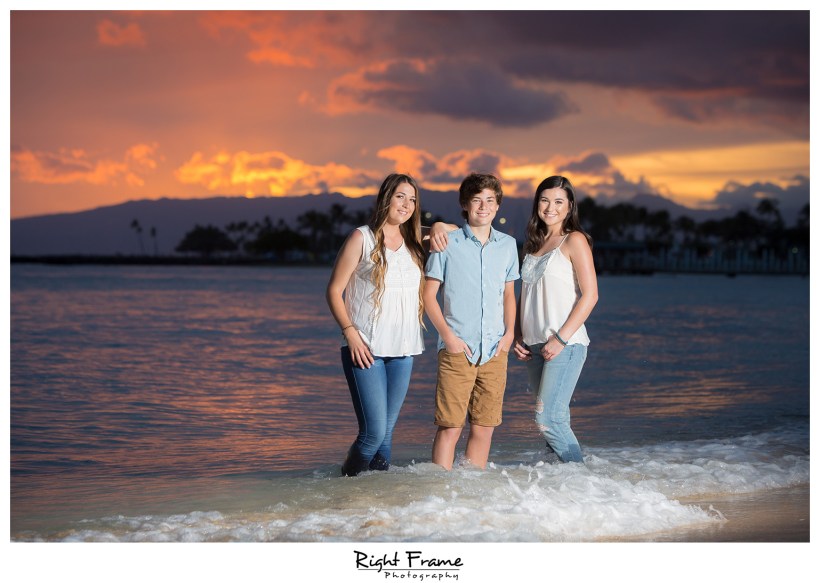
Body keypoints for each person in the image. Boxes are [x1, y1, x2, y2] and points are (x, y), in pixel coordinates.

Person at [326, 173, 427, 476]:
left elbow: (449, 230)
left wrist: (437, 228)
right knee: (372, 436)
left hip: (403, 351)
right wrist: (350, 334)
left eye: (412, 199)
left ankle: (376, 503)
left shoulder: (414, 239)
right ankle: (340, 491)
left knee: (386, 437)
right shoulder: (362, 237)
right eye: (400, 196)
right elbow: (333, 290)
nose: (406, 204)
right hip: (365, 349)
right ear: (386, 197)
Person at [424, 173, 520, 470]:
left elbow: (508, 295)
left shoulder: (508, 245)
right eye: (477, 200)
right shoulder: (447, 242)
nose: (483, 206)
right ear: (465, 204)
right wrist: (448, 338)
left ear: (497, 206)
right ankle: (438, 495)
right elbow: (428, 296)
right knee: (450, 427)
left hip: (494, 350)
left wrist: (509, 336)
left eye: (490, 200)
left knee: (484, 427)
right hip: (457, 349)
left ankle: (471, 496)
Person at [513, 175, 598, 463]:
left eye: (559, 201)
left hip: (565, 344)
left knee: (548, 420)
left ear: (570, 206)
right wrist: (517, 335)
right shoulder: (533, 244)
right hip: (535, 347)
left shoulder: (574, 240)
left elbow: (590, 295)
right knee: (555, 422)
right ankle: (560, 493)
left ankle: (583, 483)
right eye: (545, 200)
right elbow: (526, 296)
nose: (550, 207)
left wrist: (560, 339)